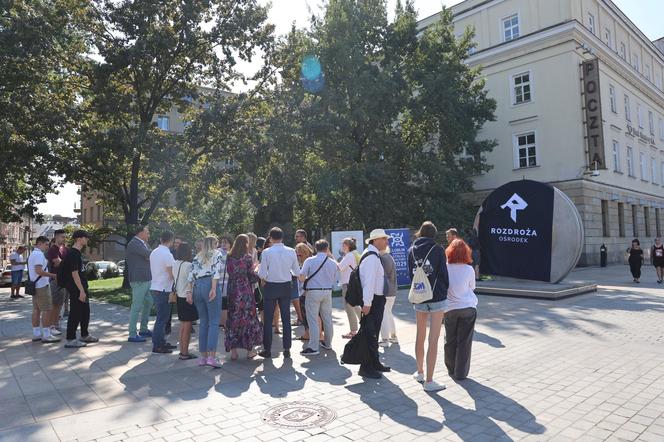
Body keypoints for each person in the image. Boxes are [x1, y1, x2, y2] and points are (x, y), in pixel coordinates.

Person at [408, 221, 449, 392]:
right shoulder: (438, 250)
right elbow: (443, 275)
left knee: (420, 335)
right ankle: (430, 381)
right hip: (437, 297)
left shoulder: (410, 250)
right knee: (434, 339)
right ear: (434, 234)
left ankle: (420, 372)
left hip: (419, 296)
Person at [256, 227, 299, 359]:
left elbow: (262, 273)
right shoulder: (291, 251)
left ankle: (267, 349)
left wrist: (259, 273)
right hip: (286, 286)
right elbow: (296, 272)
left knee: (268, 320)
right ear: (282, 237)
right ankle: (287, 349)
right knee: (286, 319)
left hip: (271, 286)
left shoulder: (267, 252)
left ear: (270, 237)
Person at [185, 236, 224, 367]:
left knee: (203, 322)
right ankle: (212, 358)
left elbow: (190, 276)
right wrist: (213, 288)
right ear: (214, 244)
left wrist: (189, 292)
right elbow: (216, 272)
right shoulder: (217, 254)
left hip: (197, 287)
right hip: (209, 285)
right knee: (214, 322)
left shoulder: (197, 256)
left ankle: (203, 357)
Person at [357, 229, 390, 379]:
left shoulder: (373, 255)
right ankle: (366, 367)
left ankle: (374, 363)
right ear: (376, 240)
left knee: (373, 333)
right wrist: (368, 303)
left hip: (375, 300)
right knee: (370, 334)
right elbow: (369, 282)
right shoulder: (371, 257)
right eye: (384, 239)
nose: (387, 241)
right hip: (373, 301)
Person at [444, 239, 478, 381]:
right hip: (467, 307)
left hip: (449, 308)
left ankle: (451, 369)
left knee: (450, 339)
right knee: (464, 342)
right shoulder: (469, 269)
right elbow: (473, 288)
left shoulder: (445, 268)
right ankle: (461, 373)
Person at [225, 234, 262, 360]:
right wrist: (257, 270)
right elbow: (251, 277)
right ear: (246, 244)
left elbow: (229, 272)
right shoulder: (247, 258)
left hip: (232, 291)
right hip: (245, 291)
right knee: (248, 318)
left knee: (233, 319)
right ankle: (249, 351)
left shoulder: (229, 257)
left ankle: (234, 352)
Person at [61, 230, 99, 348]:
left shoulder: (77, 253)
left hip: (81, 287)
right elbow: (74, 274)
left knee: (85, 312)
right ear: (79, 239)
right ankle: (71, 339)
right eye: (85, 237)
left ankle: (84, 335)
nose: (87, 240)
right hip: (77, 288)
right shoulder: (73, 254)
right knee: (75, 313)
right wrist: (81, 290)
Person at [299, 240, 337, 356]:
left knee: (313, 319)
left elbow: (301, 277)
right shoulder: (333, 262)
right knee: (327, 319)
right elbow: (335, 279)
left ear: (315, 248)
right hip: (327, 291)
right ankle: (328, 343)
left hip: (313, 292)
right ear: (327, 248)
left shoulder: (310, 261)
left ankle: (313, 347)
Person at [149, 230, 176, 354]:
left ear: (161, 239)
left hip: (155, 286)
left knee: (161, 318)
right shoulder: (167, 254)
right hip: (164, 288)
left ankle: (161, 342)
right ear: (171, 240)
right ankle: (158, 345)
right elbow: (171, 274)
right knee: (162, 319)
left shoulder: (154, 252)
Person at [125, 226, 153, 343]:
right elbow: (150, 254)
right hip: (139, 279)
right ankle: (132, 334)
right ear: (140, 232)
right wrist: (148, 256)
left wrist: (148, 257)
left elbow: (148, 256)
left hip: (146, 278)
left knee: (149, 302)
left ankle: (143, 329)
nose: (148, 235)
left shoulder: (143, 243)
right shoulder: (134, 243)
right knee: (136, 306)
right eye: (147, 232)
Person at [28, 236, 59, 343]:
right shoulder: (38, 255)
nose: (47, 247)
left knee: (36, 310)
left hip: (35, 286)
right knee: (47, 310)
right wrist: (53, 275)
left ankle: (36, 334)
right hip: (42, 286)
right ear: (40, 243)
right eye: (46, 244)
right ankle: (46, 335)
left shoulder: (33, 254)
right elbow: (39, 271)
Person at [172, 242, 197, 360]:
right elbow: (192, 281)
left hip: (179, 296)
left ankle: (182, 351)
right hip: (187, 297)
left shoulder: (175, 263)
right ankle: (185, 353)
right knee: (187, 327)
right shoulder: (188, 265)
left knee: (182, 326)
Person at [338, 238, 361, 339]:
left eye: (343, 245)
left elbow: (339, 267)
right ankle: (364, 325)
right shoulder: (355, 254)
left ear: (348, 246)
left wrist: (330, 257)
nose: (342, 247)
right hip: (353, 284)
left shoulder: (349, 255)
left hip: (347, 285)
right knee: (355, 306)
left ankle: (353, 331)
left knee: (349, 308)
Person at [46, 230, 68, 335]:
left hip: (64, 280)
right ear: (56, 237)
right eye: (62, 237)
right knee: (54, 304)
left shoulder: (65, 249)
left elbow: (63, 262)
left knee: (60, 304)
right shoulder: (52, 250)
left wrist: (62, 263)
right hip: (55, 280)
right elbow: (57, 263)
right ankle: (51, 325)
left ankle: (56, 323)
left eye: (65, 237)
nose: (64, 239)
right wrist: (64, 263)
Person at [295, 243, 316, 342]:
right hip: (302, 291)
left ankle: (309, 333)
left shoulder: (308, 262)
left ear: (305, 252)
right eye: (297, 254)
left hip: (306, 291)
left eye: (299, 254)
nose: (298, 256)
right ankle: (308, 332)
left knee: (308, 314)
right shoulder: (301, 262)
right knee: (305, 314)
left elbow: (305, 278)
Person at [379, 246, 398, 346]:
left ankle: (385, 339)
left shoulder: (383, 258)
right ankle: (393, 336)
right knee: (388, 313)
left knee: (384, 314)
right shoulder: (389, 257)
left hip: (386, 290)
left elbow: (381, 275)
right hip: (392, 290)